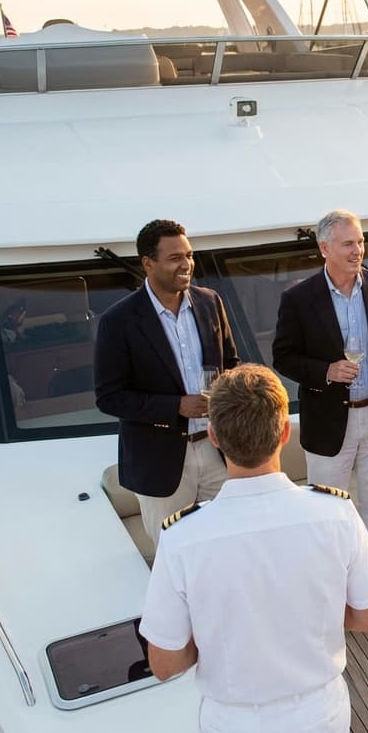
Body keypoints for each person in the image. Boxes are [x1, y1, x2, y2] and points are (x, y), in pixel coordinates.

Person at [140, 364, 368, 733]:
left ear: (213, 436)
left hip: (235, 723)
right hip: (318, 712)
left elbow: (165, 662)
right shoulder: (335, 513)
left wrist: (218, 634)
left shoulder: (183, 537)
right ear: (282, 433)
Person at [272, 210, 368, 613]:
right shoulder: (298, 298)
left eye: (360, 242)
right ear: (325, 248)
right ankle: (332, 593)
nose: (357, 250)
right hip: (329, 420)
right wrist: (325, 371)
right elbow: (283, 356)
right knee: (326, 513)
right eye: (348, 244)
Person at [94, 219, 238, 548]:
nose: (186, 264)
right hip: (160, 462)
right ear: (148, 263)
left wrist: (226, 389)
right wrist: (176, 407)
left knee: (229, 545)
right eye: (175, 258)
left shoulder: (210, 301)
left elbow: (231, 364)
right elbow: (109, 397)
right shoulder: (118, 321)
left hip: (217, 449)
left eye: (188, 255)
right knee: (173, 554)